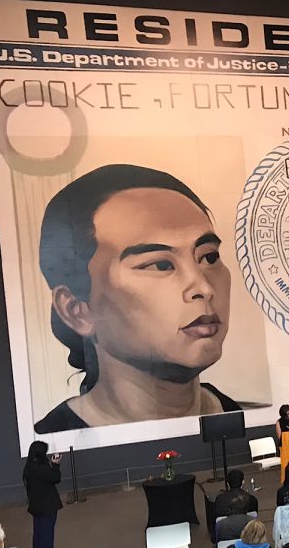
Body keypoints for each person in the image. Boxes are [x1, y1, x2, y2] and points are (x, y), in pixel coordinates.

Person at [33, 164, 238, 433]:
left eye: (209, 257)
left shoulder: (237, 413)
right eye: (160, 265)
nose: (203, 287)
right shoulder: (54, 437)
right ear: (76, 310)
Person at [22, 440, 62, 548]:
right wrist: (56, 465)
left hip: (36, 506)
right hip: (48, 507)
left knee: (38, 536)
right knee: (47, 537)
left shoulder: (29, 468)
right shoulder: (43, 469)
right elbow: (56, 478)